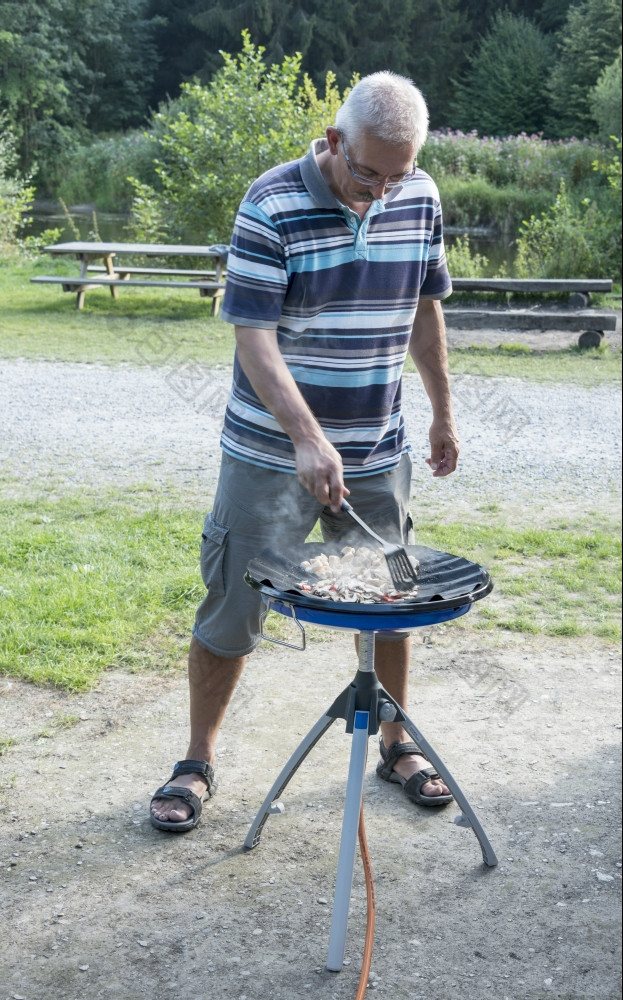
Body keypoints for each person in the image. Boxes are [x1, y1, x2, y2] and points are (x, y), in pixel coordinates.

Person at [150, 71, 459, 833]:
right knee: (233, 605)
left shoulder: (415, 195)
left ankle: (396, 743)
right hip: (267, 456)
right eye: (367, 172)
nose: (383, 191)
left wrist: (442, 413)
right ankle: (196, 760)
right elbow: (253, 337)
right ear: (332, 141)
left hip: (378, 451)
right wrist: (306, 438)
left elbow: (424, 313)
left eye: (398, 172)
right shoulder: (271, 202)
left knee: (392, 597)